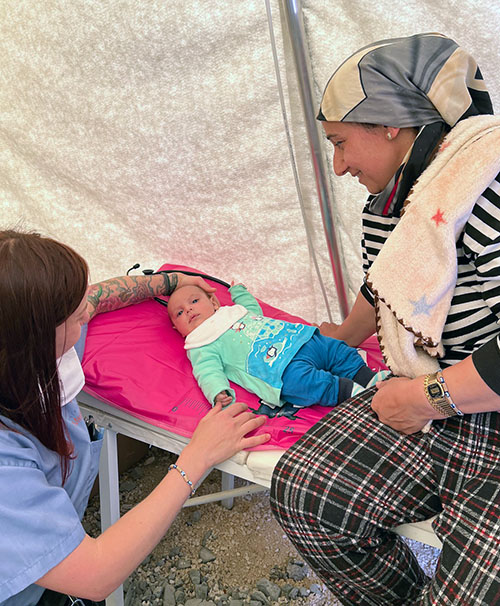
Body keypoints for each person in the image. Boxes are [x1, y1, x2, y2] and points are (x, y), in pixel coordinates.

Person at [269, 32, 500, 606]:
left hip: (477, 403)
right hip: (438, 395)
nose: (339, 165)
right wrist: (346, 334)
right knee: (303, 490)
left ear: (390, 125)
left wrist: (427, 399)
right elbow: (391, 282)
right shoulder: (402, 193)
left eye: (342, 142)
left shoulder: (484, 190)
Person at [0, 229, 270, 606]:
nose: (84, 313)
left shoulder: (28, 344)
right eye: (74, 316)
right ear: (31, 339)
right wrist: (196, 458)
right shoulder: (5, 465)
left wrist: (170, 282)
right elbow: (94, 576)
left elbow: (97, 295)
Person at [167, 282, 389, 411]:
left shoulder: (231, 312)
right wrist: (217, 391)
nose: (188, 310)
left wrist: (240, 293)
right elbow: (207, 371)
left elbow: (252, 309)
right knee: (306, 384)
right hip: (280, 369)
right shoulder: (200, 344)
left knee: (337, 350)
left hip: (300, 339)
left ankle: (366, 377)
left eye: (194, 301)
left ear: (213, 303)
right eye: (179, 313)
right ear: (177, 329)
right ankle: (350, 392)